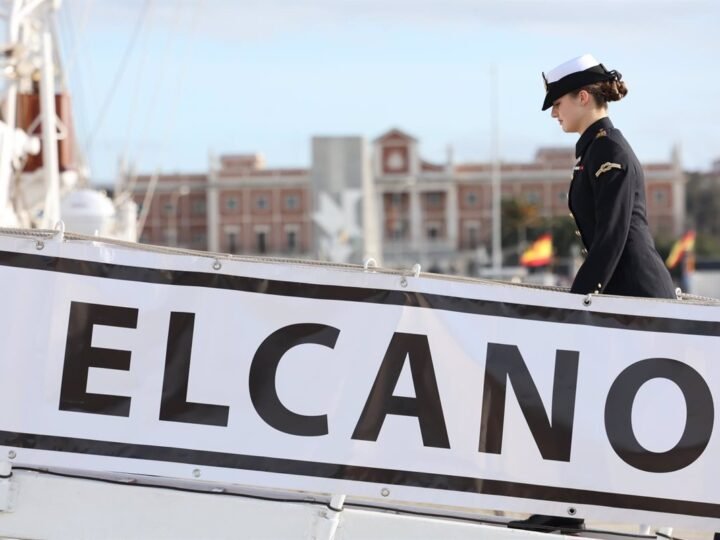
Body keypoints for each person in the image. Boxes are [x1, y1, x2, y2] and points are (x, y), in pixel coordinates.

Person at [542, 54, 675, 299]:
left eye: (558, 103)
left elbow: (610, 236)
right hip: (622, 295)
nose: (554, 113)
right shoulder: (596, 149)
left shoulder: (608, 150)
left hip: (639, 295)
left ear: (582, 97)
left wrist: (577, 300)